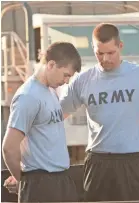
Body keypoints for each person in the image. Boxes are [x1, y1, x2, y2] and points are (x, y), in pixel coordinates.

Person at [59, 23, 139, 201]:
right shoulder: (83, 81)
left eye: (110, 53)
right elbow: (56, 118)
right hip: (99, 164)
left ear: (120, 46)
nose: (105, 58)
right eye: (100, 53)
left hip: (134, 164)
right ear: (93, 49)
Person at [2, 42, 81, 202]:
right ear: (51, 65)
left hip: (61, 180)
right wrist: (22, 181)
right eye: (65, 74)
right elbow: (9, 148)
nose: (66, 81)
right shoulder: (28, 96)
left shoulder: (51, 91)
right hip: (41, 185)